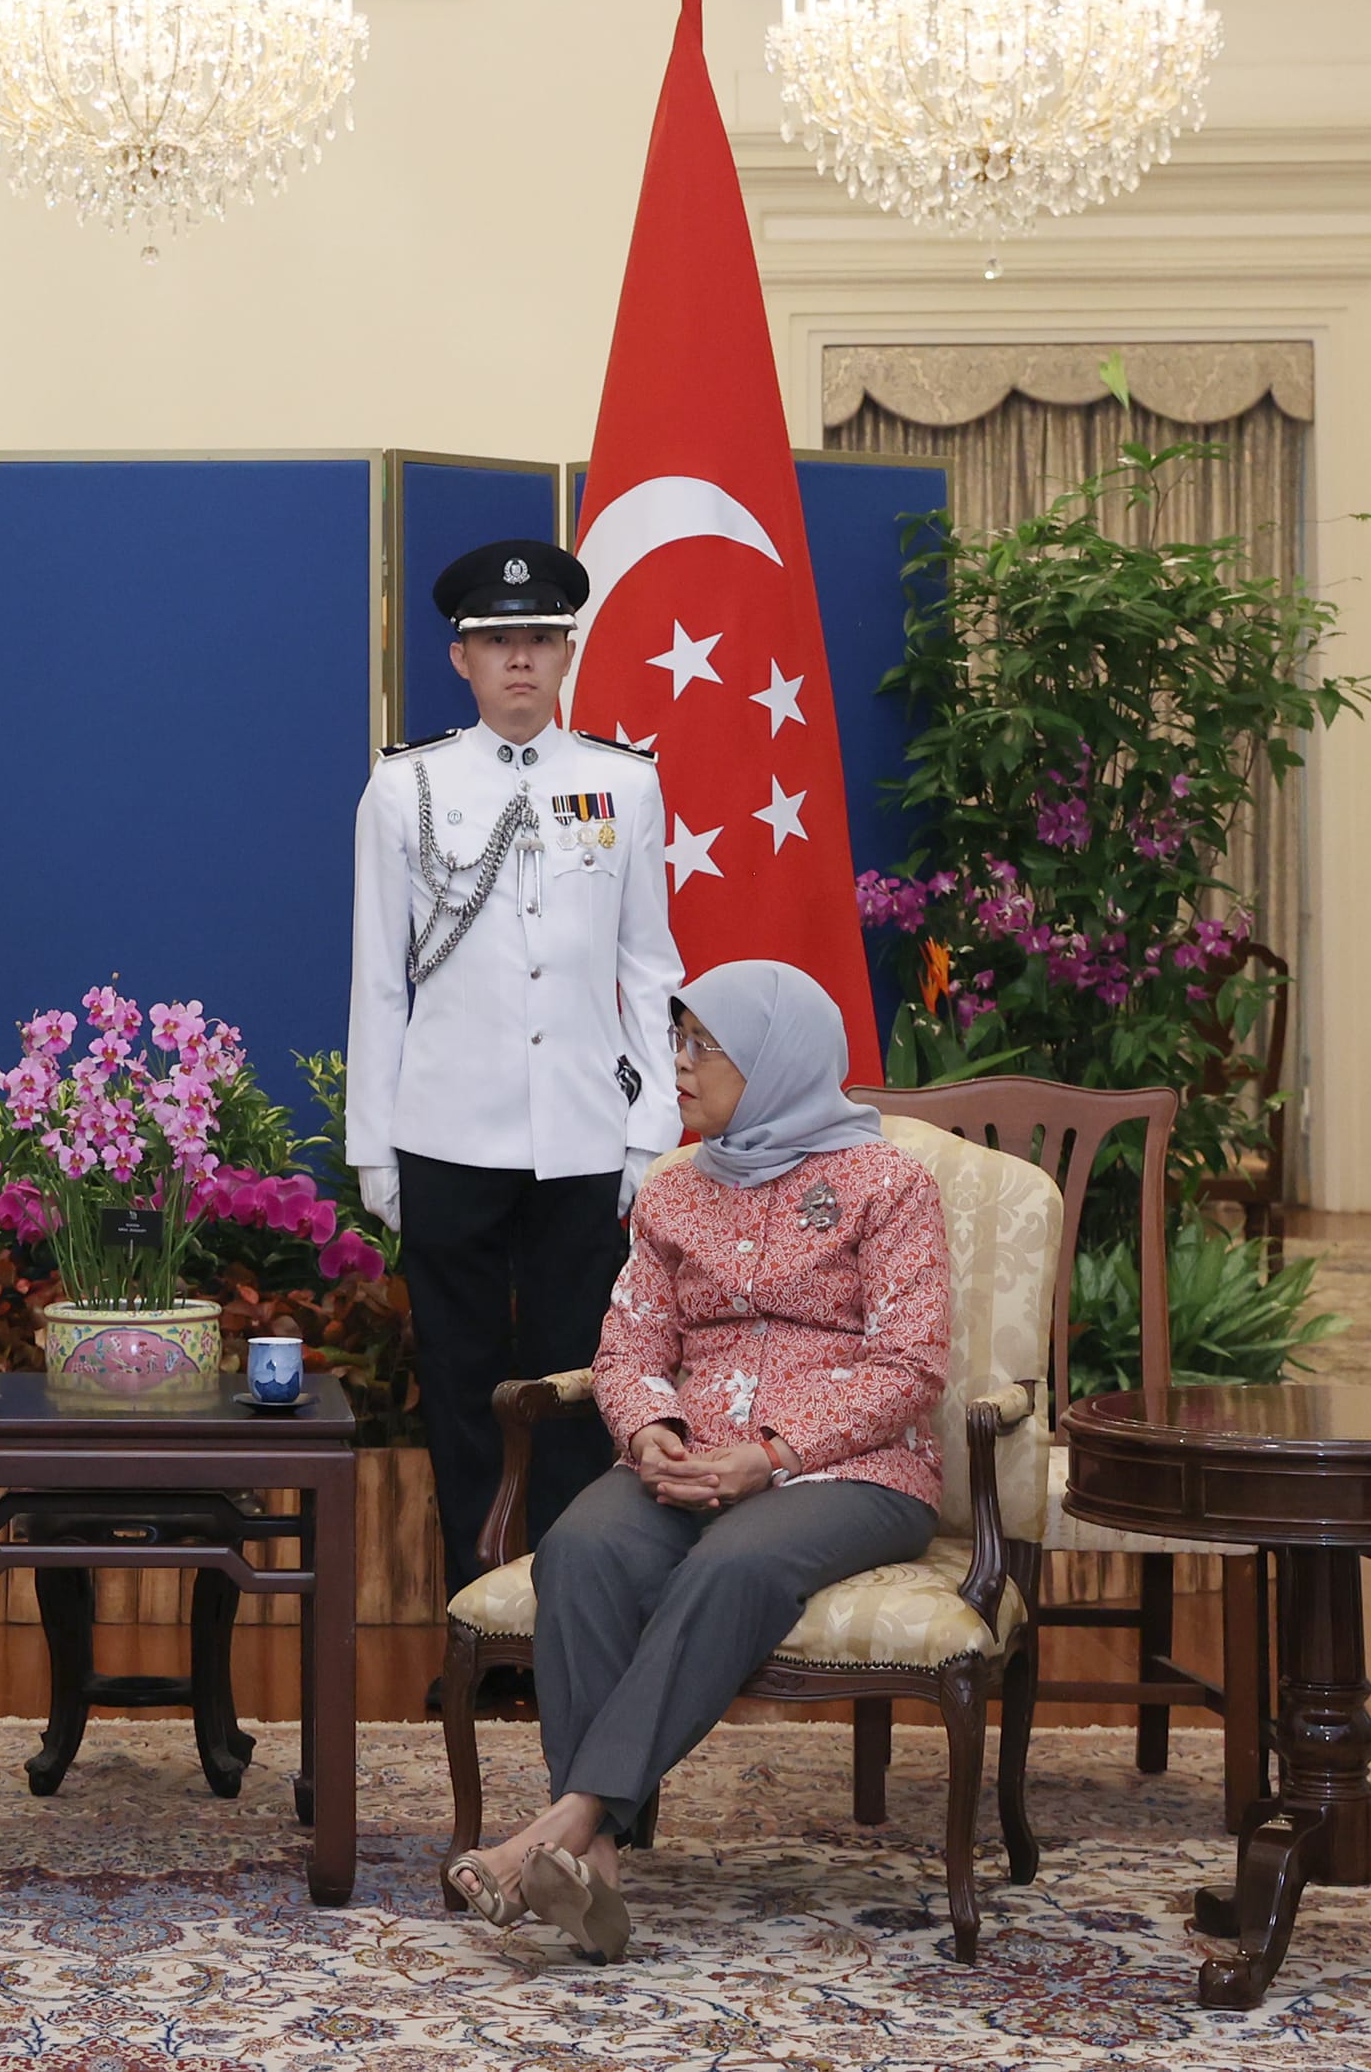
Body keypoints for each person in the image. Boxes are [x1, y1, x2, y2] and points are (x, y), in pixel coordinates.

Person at [442, 958, 949, 1961]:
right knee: (580, 1547)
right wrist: (650, 1433)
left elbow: (912, 1364)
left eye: (699, 1045)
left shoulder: (889, 1185)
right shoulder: (676, 1194)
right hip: (689, 1461)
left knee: (734, 1563)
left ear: (772, 1059)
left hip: (854, 1471)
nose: (677, 1066)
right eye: (675, 1042)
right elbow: (627, 1349)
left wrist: (767, 1456)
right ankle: (598, 1880)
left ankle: (569, 1822)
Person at [347, 537, 683, 1704]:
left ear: (568, 651)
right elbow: (378, 980)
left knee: (580, 1391)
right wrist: (373, 1147)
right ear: (462, 658)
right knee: (461, 1391)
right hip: (446, 1130)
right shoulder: (409, 786)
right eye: (499, 642)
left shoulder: (625, 781)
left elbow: (649, 968)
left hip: (586, 1135)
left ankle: (566, 1641)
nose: (521, 660)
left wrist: (653, 1134)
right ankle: (474, 1638)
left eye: (540, 639)